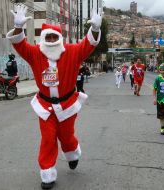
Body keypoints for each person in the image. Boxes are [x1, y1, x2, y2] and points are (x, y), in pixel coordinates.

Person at [6, 5, 102, 189]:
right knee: (48, 138)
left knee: (66, 137)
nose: (51, 40)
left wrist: (95, 29)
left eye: (54, 37)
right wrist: (19, 27)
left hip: (67, 104)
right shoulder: (35, 53)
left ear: (60, 39)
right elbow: (19, 44)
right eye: (47, 37)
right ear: (43, 39)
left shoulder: (72, 51)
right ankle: (47, 173)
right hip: (45, 106)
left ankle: (72, 154)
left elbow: (88, 45)